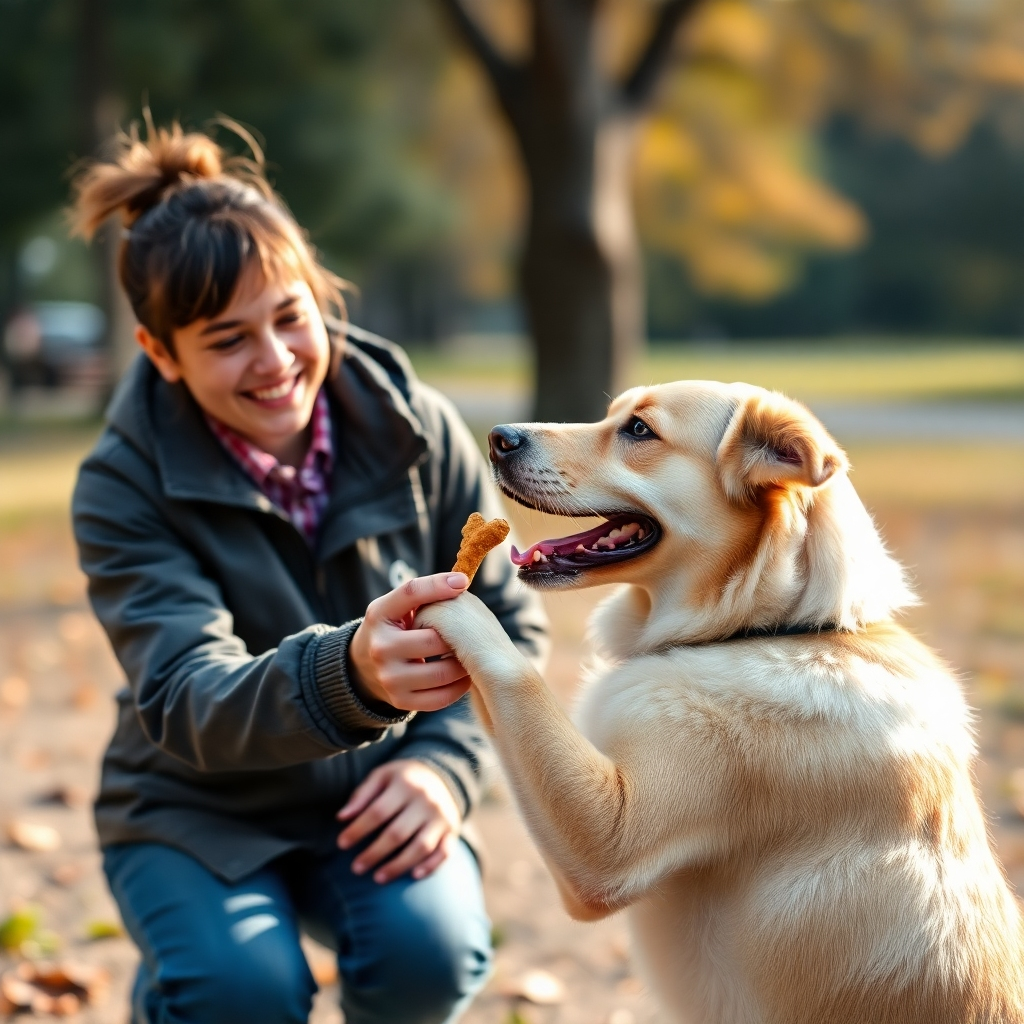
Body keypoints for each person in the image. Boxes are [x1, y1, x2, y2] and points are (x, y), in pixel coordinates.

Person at [69, 118, 548, 1024]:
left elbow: (510, 628)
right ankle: (182, 986)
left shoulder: (416, 429)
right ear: (160, 353)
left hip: (375, 792)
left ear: (319, 297)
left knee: (429, 957)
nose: (276, 360)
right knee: (238, 992)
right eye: (226, 338)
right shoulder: (121, 486)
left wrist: (442, 768)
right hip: (195, 809)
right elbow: (181, 692)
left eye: (290, 316)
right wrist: (352, 673)